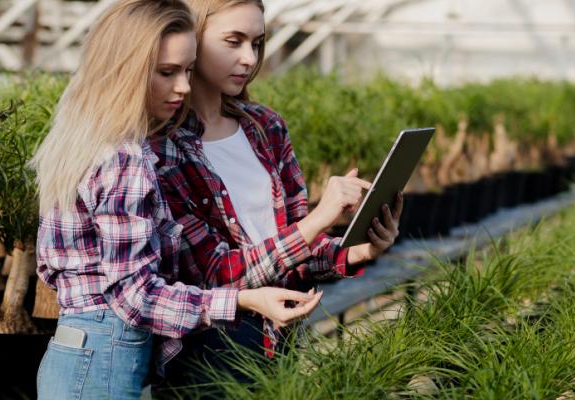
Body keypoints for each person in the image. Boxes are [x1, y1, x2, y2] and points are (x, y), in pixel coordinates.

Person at [30, 1, 322, 398]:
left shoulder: (82, 141)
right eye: (167, 72)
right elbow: (134, 296)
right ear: (124, 70)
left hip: (79, 347)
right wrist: (242, 300)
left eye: (186, 70)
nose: (183, 86)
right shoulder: (126, 159)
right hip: (103, 356)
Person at [150, 0, 403, 388]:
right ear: (192, 38)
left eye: (257, 42)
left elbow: (292, 254)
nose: (249, 58)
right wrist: (319, 219)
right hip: (212, 348)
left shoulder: (265, 127)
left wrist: (354, 252)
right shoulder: (163, 148)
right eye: (233, 41)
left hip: (282, 333)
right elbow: (217, 274)